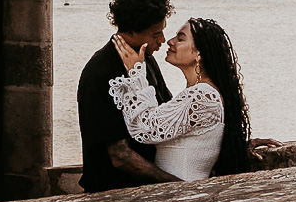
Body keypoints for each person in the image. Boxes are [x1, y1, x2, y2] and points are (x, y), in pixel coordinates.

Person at [109, 16, 258, 181]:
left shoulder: (203, 95)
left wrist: (135, 72)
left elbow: (145, 128)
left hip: (185, 197)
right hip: (179, 193)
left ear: (198, 53)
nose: (170, 41)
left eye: (180, 39)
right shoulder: (200, 92)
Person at [77, 0, 177, 192]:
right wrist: (175, 184)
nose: (163, 40)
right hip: (112, 192)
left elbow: (167, 114)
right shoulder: (100, 71)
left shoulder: (145, 59)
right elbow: (120, 156)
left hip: (145, 188)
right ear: (131, 32)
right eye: (156, 34)